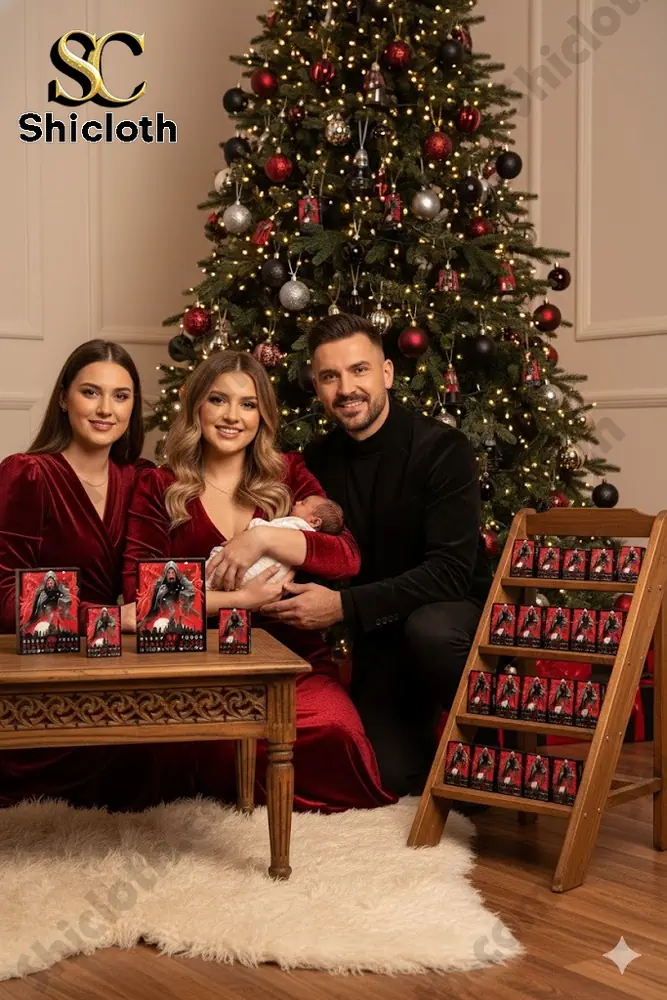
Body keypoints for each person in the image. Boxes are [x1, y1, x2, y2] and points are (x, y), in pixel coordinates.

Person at [122, 349, 395, 812]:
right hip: (198, 662)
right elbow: (141, 597)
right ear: (196, 408)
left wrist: (264, 538)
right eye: (219, 401)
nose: (233, 416)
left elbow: (346, 558)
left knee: (336, 734)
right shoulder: (160, 485)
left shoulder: (287, 473)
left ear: (263, 416)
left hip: (287, 663)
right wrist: (239, 598)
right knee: (198, 744)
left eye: (248, 404)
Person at [262, 314, 491, 796]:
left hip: (451, 623)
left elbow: (450, 574)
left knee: (429, 629)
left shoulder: (443, 449)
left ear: (386, 373)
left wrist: (343, 607)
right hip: (381, 636)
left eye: (359, 370)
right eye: (330, 376)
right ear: (318, 387)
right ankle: (425, 743)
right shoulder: (318, 460)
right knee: (385, 779)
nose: (347, 388)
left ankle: (486, 740)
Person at [0, 339, 169, 811]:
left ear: (133, 406)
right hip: (42, 669)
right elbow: (2, 595)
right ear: (63, 398)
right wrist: (109, 619)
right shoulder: (27, 474)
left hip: (117, 664)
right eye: (90, 392)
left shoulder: (139, 478)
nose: (105, 409)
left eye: (121, 396)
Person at [207, 494, 344, 587]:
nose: (296, 502)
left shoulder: (295, 524)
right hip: (272, 579)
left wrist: (254, 525)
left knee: (216, 557)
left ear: (314, 521)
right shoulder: (307, 538)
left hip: (255, 569)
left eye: (303, 503)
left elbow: (262, 527)